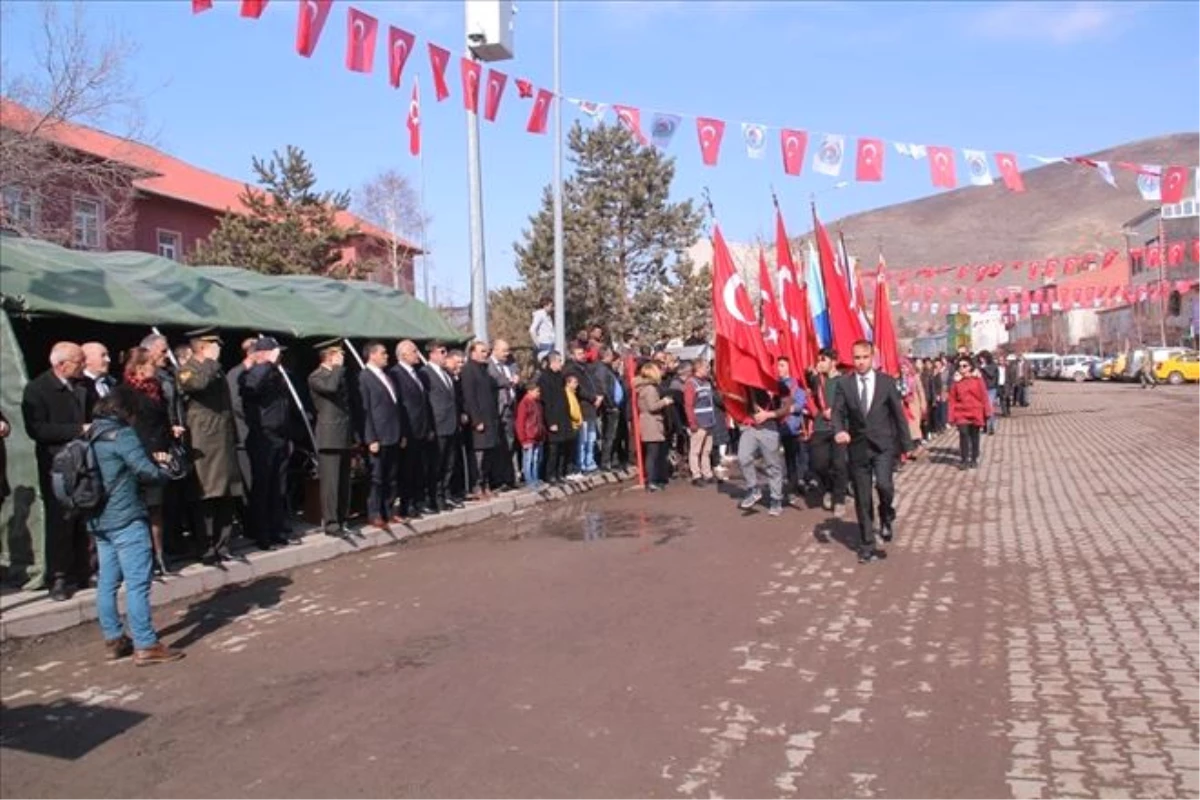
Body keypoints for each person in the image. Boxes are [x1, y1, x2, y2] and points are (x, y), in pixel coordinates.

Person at [84, 386, 183, 667]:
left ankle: (114, 639)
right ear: (126, 411)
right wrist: (164, 469)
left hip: (99, 518)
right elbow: (145, 471)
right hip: (125, 515)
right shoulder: (122, 435)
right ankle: (146, 644)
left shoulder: (92, 433)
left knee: (107, 582)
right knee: (138, 583)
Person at [21, 341, 93, 600]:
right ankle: (59, 577)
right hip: (57, 464)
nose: (83, 365)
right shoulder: (37, 390)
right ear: (61, 365)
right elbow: (37, 430)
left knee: (85, 514)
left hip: (84, 461)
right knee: (60, 519)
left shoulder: (84, 386)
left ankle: (85, 570)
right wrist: (76, 430)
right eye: (78, 361)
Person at [833, 340, 913, 564]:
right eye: (856, 358)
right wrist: (840, 430)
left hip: (883, 446)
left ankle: (887, 514)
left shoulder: (886, 383)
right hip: (858, 447)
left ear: (872, 357)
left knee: (884, 485)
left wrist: (907, 445)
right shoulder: (844, 384)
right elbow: (838, 412)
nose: (860, 362)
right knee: (862, 496)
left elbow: (898, 415)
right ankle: (867, 543)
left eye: (864, 357)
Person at [177, 328, 242, 562]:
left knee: (226, 493)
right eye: (214, 346)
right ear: (203, 347)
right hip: (203, 441)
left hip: (222, 439)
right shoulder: (187, 371)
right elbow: (198, 385)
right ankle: (205, 546)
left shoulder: (215, 369)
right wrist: (210, 362)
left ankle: (223, 545)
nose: (219, 350)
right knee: (206, 494)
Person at [124, 347, 184, 575]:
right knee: (139, 509)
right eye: (151, 363)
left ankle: (159, 556)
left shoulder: (155, 389)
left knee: (156, 508)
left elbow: (160, 420)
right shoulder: (125, 393)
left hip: (159, 454)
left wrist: (170, 431)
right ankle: (142, 557)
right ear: (140, 367)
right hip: (137, 455)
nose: (156, 367)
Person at [239, 336, 292, 551]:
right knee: (262, 487)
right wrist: (266, 363)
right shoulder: (250, 374)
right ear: (261, 353)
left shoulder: (276, 374)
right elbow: (251, 387)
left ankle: (276, 529)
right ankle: (262, 534)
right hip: (262, 437)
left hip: (279, 436)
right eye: (273, 353)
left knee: (277, 487)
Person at [308, 340, 354, 536]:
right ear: (329, 356)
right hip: (329, 435)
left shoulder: (339, 374)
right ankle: (331, 522)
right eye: (338, 354)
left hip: (343, 433)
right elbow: (331, 389)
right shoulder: (316, 376)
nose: (342, 358)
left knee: (344, 480)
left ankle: (343, 518)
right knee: (331, 482)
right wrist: (336, 368)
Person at [359, 341, 401, 529]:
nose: (387, 356)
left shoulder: (387, 375)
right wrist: (370, 438)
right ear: (372, 355)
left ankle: (388, 510)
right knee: (377, 477)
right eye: (383, 353)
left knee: (391, 475)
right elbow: (365, 410)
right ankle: (374, 512)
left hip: (393, 433)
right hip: (378, 435)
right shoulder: (364, 377)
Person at [391, 340, 434, 518]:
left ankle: (418, 501)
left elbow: (424, 403)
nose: (418, 354)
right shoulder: (395, 374)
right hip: (408, 429)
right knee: (407, 470)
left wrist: (429, 426)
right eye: (414, 351)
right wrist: (401, 432)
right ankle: (406, 504)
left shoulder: (418, 374)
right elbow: (399, 405)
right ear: (403, 355)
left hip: (422, 428)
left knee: (420, 468)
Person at [421, 341, 463, 512]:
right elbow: (427, 402)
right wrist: (430, 427)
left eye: (446, 351)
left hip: (451, 424)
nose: (445, 355)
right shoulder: (426, 373)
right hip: (438, 426)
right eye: (442, 351)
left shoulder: (446, 374)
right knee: (436, 466)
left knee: (449, 464)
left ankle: (445, 494)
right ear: (432, 354)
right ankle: (434, 498)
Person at [736, 383, 788, 517]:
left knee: (773, 466)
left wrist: (768, 415)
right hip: (751, 427)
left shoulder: (779, 385)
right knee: (743, 457)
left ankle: (776, 499)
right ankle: (753, 488)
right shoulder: (747, 383)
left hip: (770, 429)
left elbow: (787, 408)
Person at [807, 348, 847, 513]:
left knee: (839, 464)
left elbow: (850, 403)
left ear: (833, 362)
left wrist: (837, 412)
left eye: (823, 360)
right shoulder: (817, 380)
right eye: (818, 360)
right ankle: (829, 488)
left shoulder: (844, 381)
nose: (820, 363)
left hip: (838, 427)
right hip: (820, 427)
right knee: (818, 464)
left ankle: (839, 499)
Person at [462, 341, 501, 498]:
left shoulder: (484, 370)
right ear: (473, 353)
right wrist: (476, 420)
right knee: (479, 456)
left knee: (489, 455)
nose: (486, 354)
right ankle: (477, 486)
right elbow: (469, 397)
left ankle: (486, 484)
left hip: (490, 419)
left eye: (487, 351)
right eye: (483, 351)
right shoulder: (468, 370)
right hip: (479, 422)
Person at [634, 362, 673, 492]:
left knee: (654, 454)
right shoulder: (650, 389)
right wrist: (664, 402)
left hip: (649, 422)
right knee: (653, 454)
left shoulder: (645, 387)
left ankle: (654, 479)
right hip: (651, 422)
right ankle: (652, 481)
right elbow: (652, 406)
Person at [487, 339, 519, 488]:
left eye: (508, 350)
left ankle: (509, 477)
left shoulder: (510, 365)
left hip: (510, 408)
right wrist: (508, 381)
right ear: (495, 350)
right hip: (498, 409)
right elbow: (497, 381)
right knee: (499, 446)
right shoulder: (489, 366)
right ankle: (498, 479)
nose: (507, 353)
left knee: (510, 443)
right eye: (504, 350)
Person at [776, 357, 809, 501]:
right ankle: (789, 487)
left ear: (789, 367)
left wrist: (787, 409)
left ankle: (795, 485)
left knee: (796, 458)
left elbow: (800, 404)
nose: (779, 368)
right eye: (778, 366)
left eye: (782, 365)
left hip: (793, 427)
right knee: (783, 459)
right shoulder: (774, 385)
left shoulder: (795, 385)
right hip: (779, 427)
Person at [949, 357, 990, 470]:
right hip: (961, 412)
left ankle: (974, 458)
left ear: (970, 367)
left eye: (964, 366)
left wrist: (987, 411)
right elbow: (952, 399)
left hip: (976, 412)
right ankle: (964, 459)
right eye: (960, 366)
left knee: (974, 436)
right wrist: (951, 416)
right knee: (963, 434)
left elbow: (984, 396)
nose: (962, 368)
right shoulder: (956, 382)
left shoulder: (978, 380)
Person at [566, 343, 602, 475]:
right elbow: (579, 390)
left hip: (592, 408)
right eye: (579, 354)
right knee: (583, 439)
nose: (583, 356)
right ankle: (580, 464)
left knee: (591, 438)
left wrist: (599, 396)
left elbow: (595, 383)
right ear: (572, 355)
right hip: (583, 408)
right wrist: (593, 398)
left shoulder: (586, 369)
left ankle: (590, 462)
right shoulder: (571, 370)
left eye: (583, 353)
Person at [537, 352, 571, 486]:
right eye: (558, 361)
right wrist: (551, 422)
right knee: (553, 449)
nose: (560, 364)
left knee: (562, 447)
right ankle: (549, 474)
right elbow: (546, 401)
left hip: (563, 416)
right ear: (552, 362)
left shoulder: (560, 377)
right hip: (553, 418)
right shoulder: (544, 378)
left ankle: (559, 473)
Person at [683, 358, 717, 486]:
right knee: (695, 450)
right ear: (698, 368)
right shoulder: (691, 383)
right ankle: (696, 475)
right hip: (699, 421)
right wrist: (692, 422)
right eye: (706, 367)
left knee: (707, 450)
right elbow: (688, 404)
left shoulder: (707, 383)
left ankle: (707, 473)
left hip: (709, 420)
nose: (708, 370)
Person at [516, 381, 546, 490]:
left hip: (537, 435)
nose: (539, 393)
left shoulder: (537, 403)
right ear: (530, 391)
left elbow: (539, 420)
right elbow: (520, 422)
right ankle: (529, 480)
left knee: (536, 459)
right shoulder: (524, 403)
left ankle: (535, 478)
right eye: (537, 391)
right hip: (528, 437)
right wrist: (523, 439)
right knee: (528, 460)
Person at [977, 351, 1000, 435]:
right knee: (983, 409)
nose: (981, 359)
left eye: (982, 358)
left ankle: (991, 427)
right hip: (981, 389)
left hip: (991, 389)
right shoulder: (979, 366)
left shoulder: (992, 366)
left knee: (989, 407)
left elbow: (991, 375)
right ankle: (985, 427)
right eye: (980, 358)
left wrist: (984, 368)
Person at [529, 296, 556, 361]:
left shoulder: (548, 315)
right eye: (551, 306)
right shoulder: (540, 314)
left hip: (550, 344)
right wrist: (538, 344)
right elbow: (532, 330)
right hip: (544, 345)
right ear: (545, 306)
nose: (552, 308)